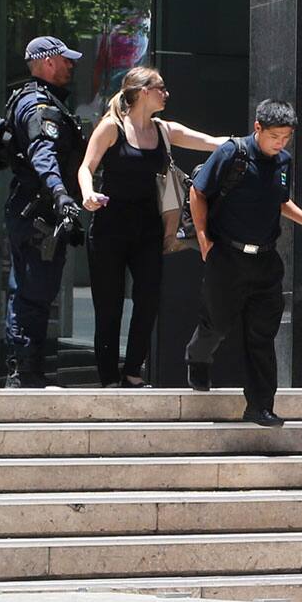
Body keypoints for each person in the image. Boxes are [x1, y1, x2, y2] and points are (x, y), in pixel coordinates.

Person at [77, 66, 227, 388]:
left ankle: (132, 372)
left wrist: (243, 143)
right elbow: (86, 167)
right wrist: (88, 193)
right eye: (161, 88)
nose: (166, 94)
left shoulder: (162, 130)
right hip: (109, 227)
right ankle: (108, 378)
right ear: (144, 91)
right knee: (109, 304)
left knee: (148, 300)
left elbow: (207, 141)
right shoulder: (111, 128)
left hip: (148, 228)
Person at [184, 99, 302, 426]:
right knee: (218, 323)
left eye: (287, 137)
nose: (280, 143)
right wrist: (205, 239)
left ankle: (260, 405)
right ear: (258, 128)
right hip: (226, 256)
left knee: (261, 335)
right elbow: (198, 192)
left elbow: (280, 200)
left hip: (264, 261)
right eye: (275, 136)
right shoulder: (231, 154)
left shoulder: (283, 162)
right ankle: (198, 355)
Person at [2, 36, 87, 388]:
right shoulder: (39, 106)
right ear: (48, 62)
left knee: (32, 289)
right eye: (65, 60)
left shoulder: (35, 100)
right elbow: (43, 155)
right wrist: (61, 195)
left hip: (32, 210)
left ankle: (27, 370)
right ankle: (24, 373)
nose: (71, 65)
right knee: (33, 292)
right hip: (38, 212)